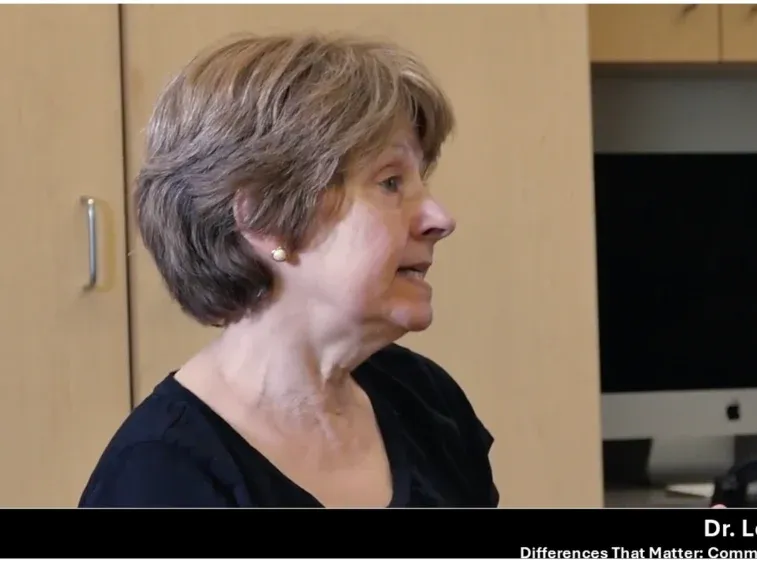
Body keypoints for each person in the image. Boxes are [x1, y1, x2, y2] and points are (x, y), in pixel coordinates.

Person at [78, 34, 499, 508]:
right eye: (390, 182)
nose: (440, 218)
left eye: (422, 180)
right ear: (265, 218)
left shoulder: (426, 400)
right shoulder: (158, 479)